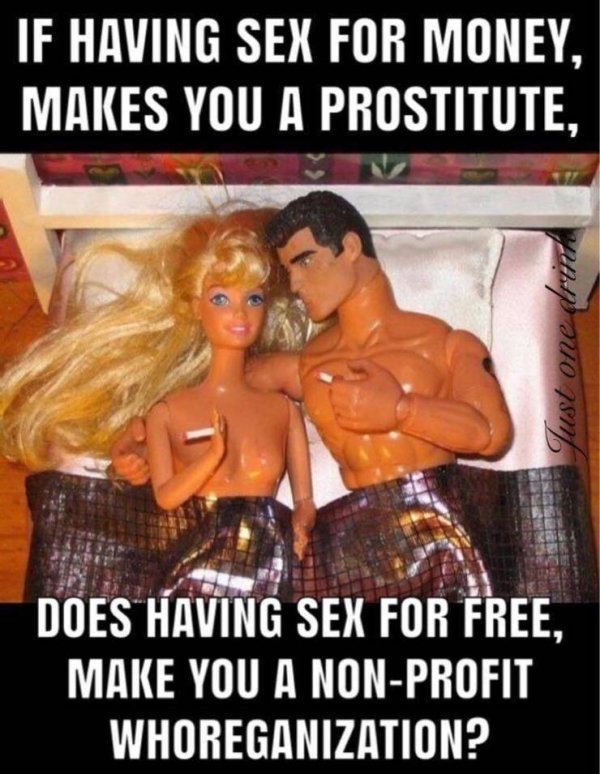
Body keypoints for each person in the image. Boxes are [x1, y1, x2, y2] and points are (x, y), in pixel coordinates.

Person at [114, 192, 513, 599]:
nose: (295, 284)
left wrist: (401, 410)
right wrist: (149, 449)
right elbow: (210, 402)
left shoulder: (447, 344)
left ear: (350, 247)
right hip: (361, 553)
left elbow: (491, 434)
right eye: (288, 270)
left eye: (304, 261)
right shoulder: (306, 367)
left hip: (444, 537)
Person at [0, 208, 314, 599]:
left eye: (253, 298)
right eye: (220, 298)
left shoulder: (281, 407)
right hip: (189, 568)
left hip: (268, 570)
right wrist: (193, 455)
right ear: (196, 304)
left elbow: (304, 500)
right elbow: (164, 493)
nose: (238, 312)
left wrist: (303, 518)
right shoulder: (170, 408)